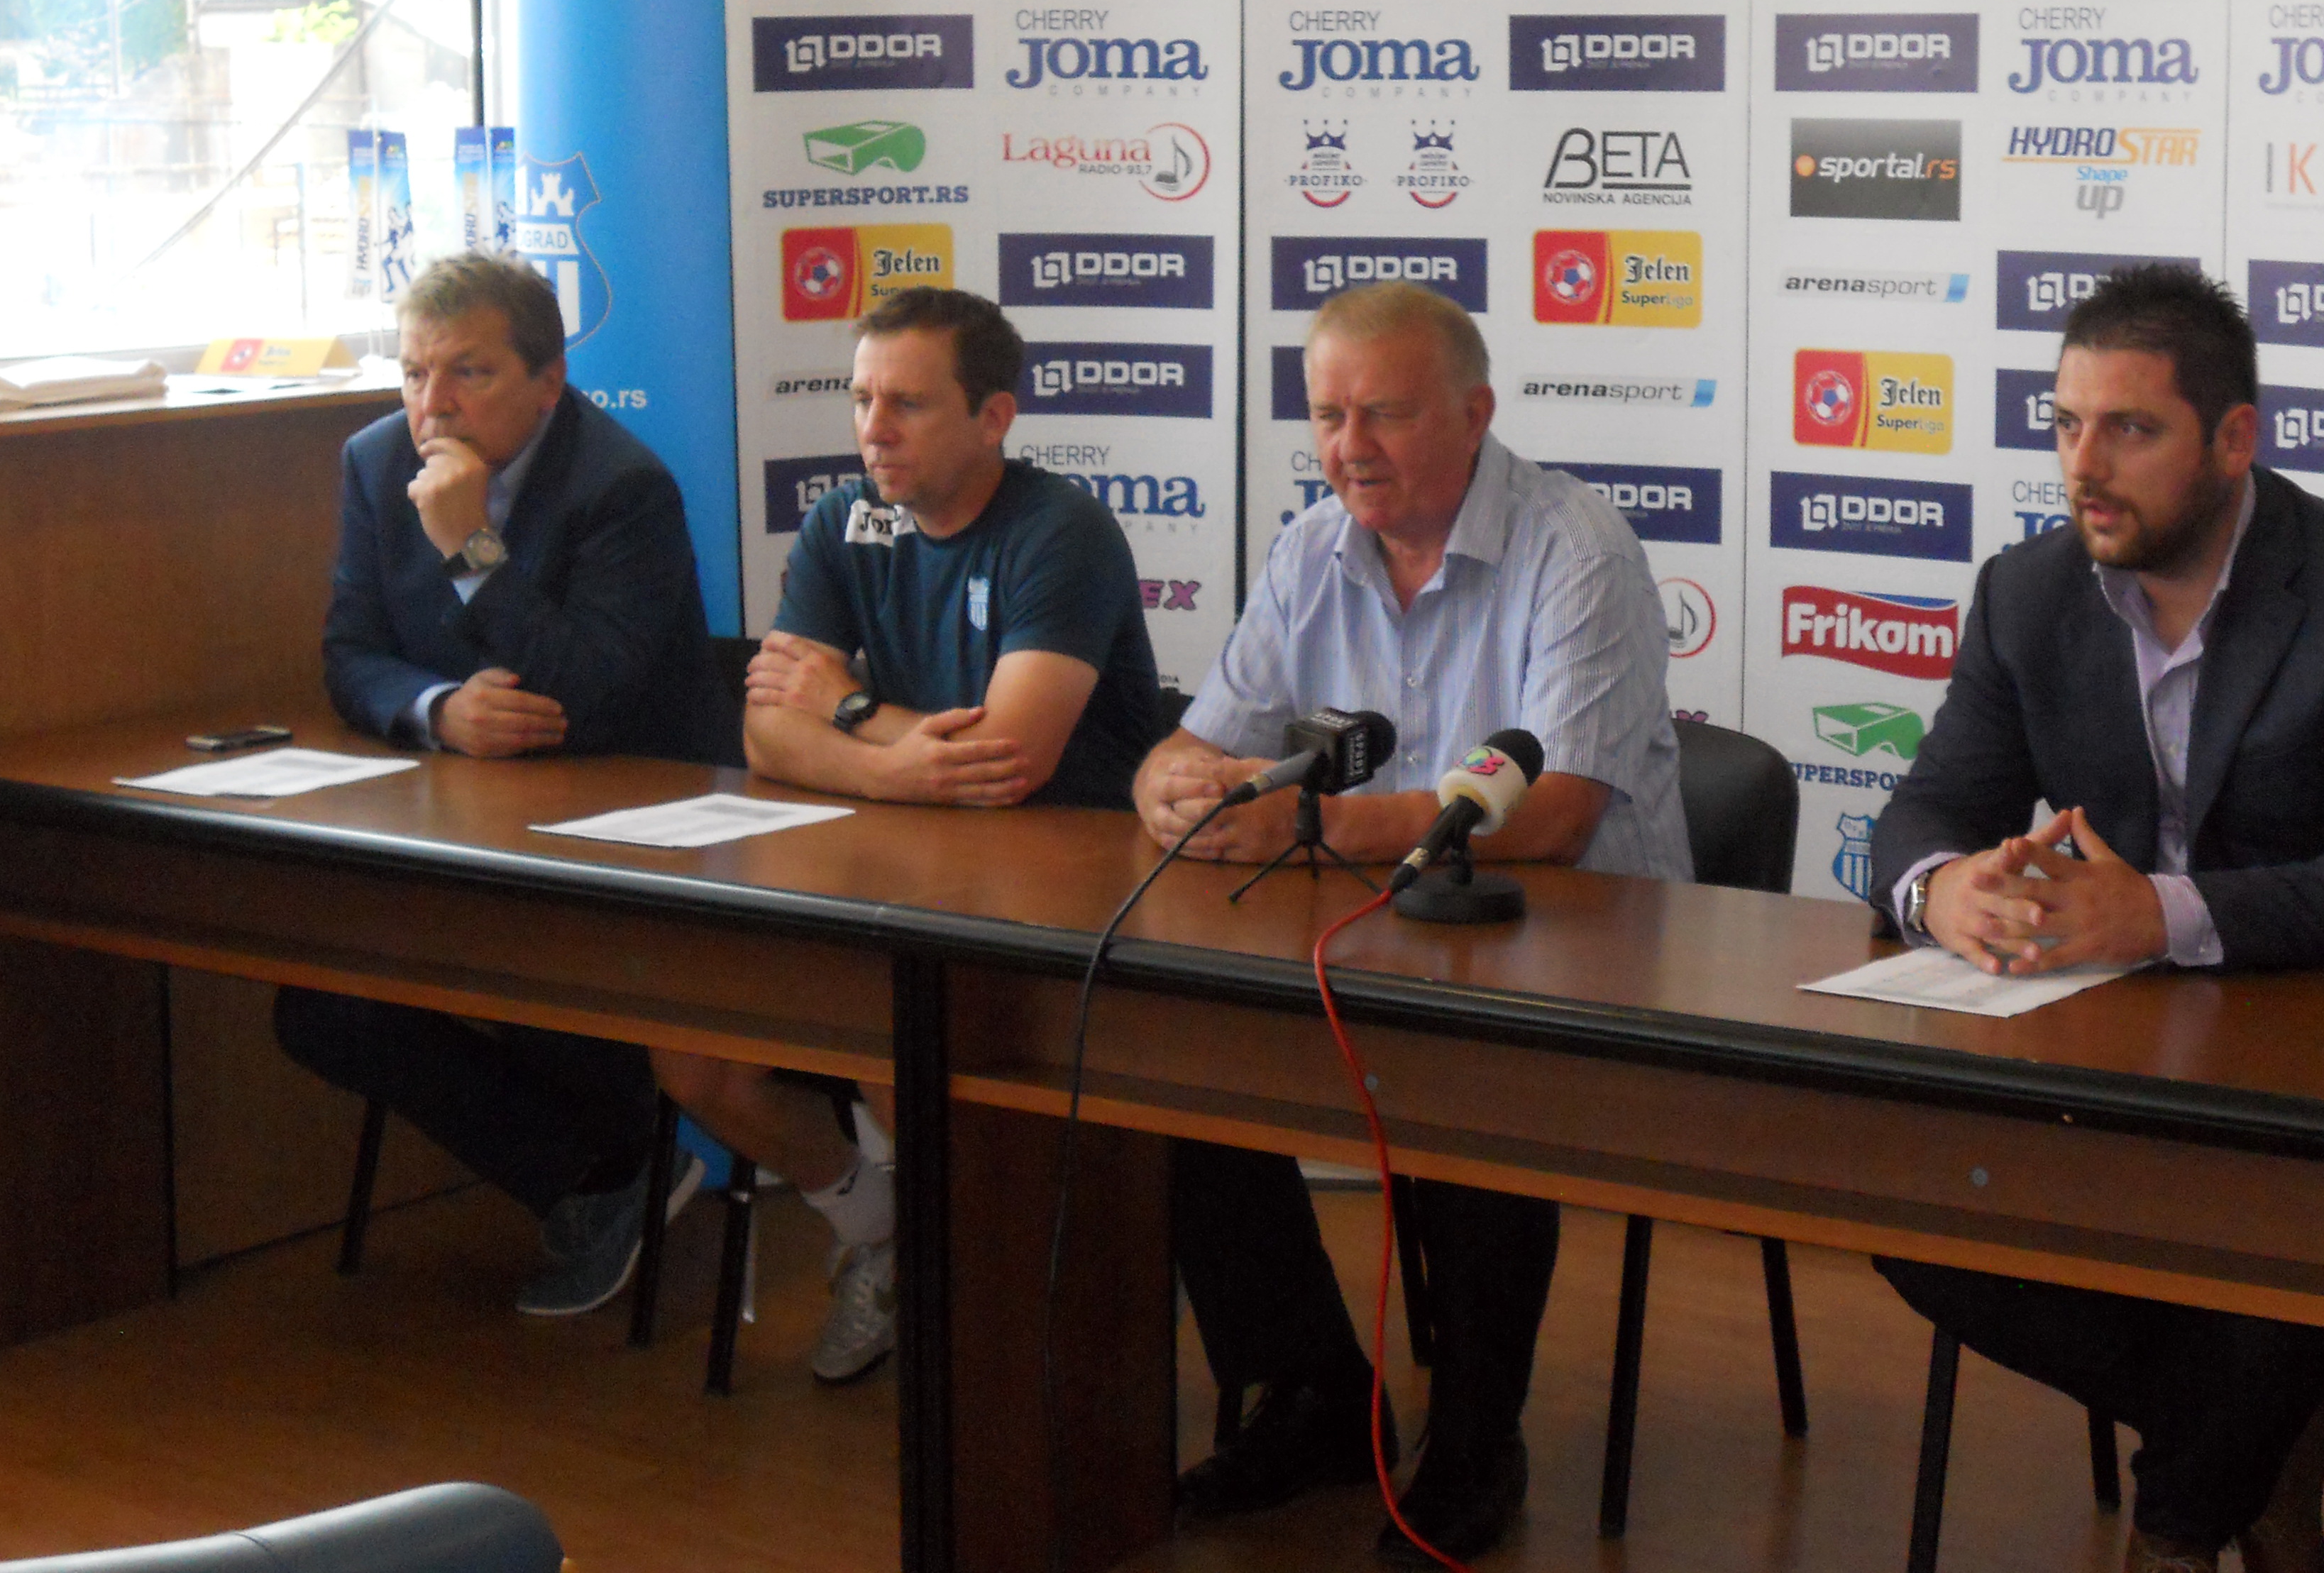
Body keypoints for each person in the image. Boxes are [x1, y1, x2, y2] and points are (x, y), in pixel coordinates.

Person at [1866, 263, 2324, 1573]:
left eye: (2131, 430)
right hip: (2111, 1049)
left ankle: (2181, 1523)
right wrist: (1943, 887)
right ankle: (2257, 1440)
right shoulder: (2028, 591)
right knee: (1904, 1201)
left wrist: (2158, 913)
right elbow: (1925, 810)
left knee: (2278, 1252)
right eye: (2066, 424)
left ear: (2234, 439)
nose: (2084, 467)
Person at [1134, 280, 1690, 1567]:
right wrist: (1168, 786)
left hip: (1579, 947)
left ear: (1476, 414)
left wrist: (1317, 824)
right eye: (1328, 416)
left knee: (1471, 1085)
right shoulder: (1310, 548)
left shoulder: (1577, 547)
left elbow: (1555, 812)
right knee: (1166, 1066)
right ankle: (1319, 1393)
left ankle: (1479, 1441)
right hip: (1378, 936)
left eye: (1382, 414)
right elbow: (1200, 741)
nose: (1349, 448)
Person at [653, 285, 1162, 1385]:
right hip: (895, 870)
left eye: (908, 405)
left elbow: (1009, 761)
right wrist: (893, 761)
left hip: (1062, 899)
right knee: (693, 1055)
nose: (873, 430)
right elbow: (766, 732)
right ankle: (875, 1227)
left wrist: (846, 708)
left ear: (994, 417)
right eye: (862, 400)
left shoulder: (1060, 529)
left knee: (901, 1046)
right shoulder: (846, 522)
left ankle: (980, 1303)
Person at [276, 250, 739, 1318]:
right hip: (464, 814)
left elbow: (586, 685)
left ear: (548, 379)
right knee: (321, 1007)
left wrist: (469, 548)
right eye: (413, 373)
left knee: (535, 978)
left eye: (468, 373)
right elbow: (350, 654)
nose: (432, 405)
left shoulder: (622, 486)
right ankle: (604, 1175)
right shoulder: (374, 460)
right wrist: (439, 709)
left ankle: (613, 1173)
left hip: (631, 818)